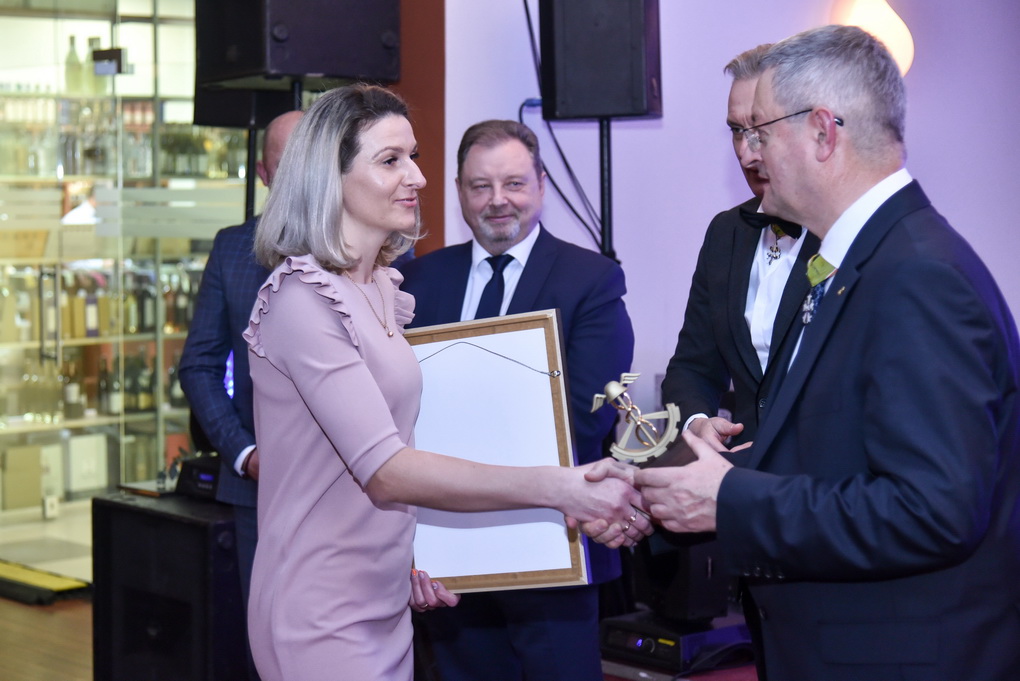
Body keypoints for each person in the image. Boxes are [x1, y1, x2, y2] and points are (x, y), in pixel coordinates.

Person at [611, 25, 1020, 681]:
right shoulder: (869, 259)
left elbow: (935, 511)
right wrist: (675, 486)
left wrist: (730, 499)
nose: (748, 153)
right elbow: (833, 451)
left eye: (760, 131)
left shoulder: (916, 275)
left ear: (824, 133)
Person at [242, 85, 649, 681]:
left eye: (413, 156)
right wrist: (562, 488)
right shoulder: (304, 298)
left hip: (385, 596)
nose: (417, 176)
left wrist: (417, 553)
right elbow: (386, 467)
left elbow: (405, 439)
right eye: (391, 160)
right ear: (330, 176)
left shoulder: (381, 290)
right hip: (324, 600)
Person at [399, 119, 635, 681]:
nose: (498, 200)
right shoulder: (417, 281)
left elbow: (584, 417)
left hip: (553, 541)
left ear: (542, 185)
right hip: (448, 548)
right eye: (480, 186)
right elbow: (400, 412)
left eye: (514, 183)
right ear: (459, 191)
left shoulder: (593, 279)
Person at [178, 108, 303, 681]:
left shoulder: (373, 246)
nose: (299, 174)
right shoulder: (232, 249)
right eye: (285, 163)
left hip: (358, 489)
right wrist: (245, 454)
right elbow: (198, 364)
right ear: (263, 173)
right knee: (269, 650)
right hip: (259, 491)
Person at [660, 44, 820, 450]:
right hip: (741, 474)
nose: (747, 154)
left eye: (760, 130)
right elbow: (692, 367)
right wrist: (697, 423)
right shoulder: (726, 233)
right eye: (736, 131)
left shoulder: (844, 234)